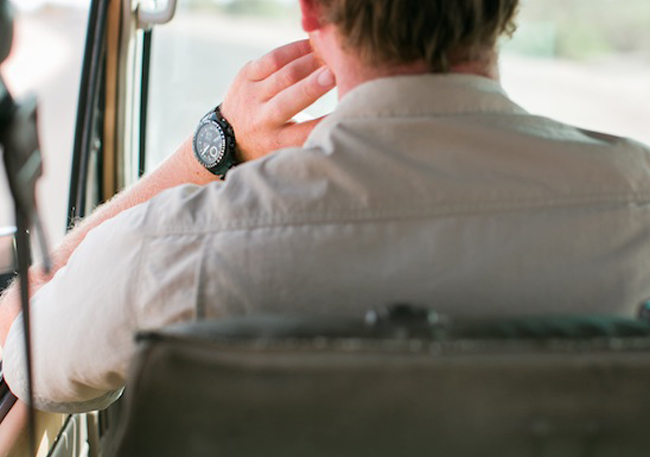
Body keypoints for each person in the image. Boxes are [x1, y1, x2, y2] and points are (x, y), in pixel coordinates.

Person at [2, 0, 650, 413]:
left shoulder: (181, 250)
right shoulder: (637, 201)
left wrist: (209, 151)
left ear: (312, 14)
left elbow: (28, 348)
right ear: (505, 9)